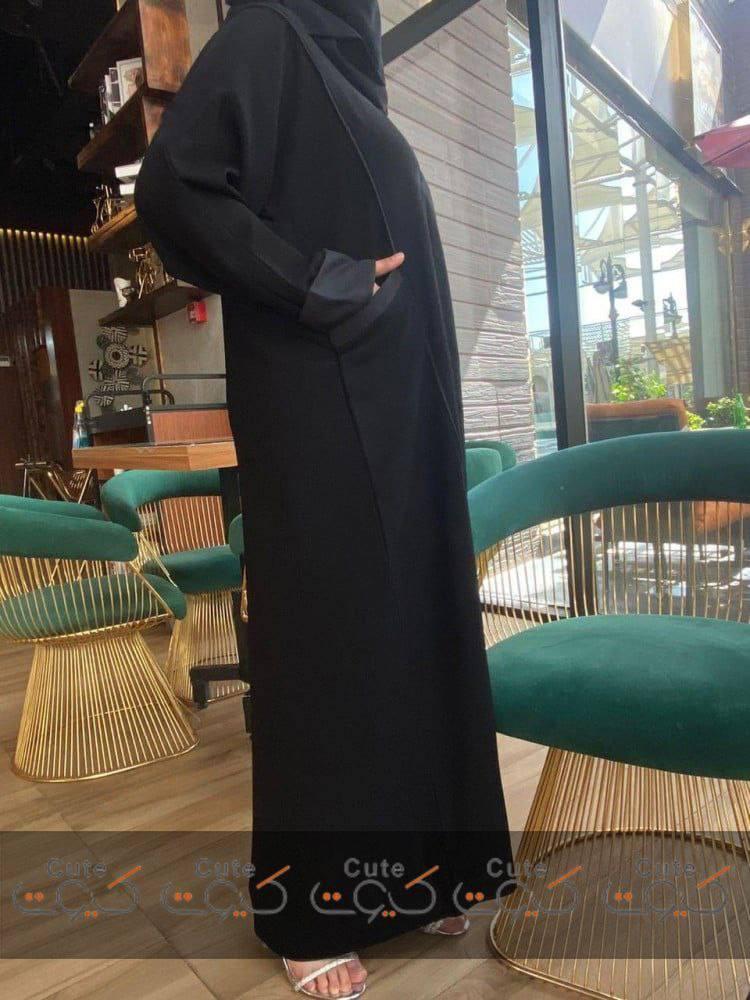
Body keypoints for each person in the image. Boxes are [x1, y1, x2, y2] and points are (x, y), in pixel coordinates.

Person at [135, 1, 512, 996]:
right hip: (322, 408)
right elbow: (173, 187)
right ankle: (313, 908)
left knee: (408, 630)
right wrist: (311, 281)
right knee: (332, 638)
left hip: (400, 409)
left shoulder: (348, 73)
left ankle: (419, 877)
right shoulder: (271, 34)